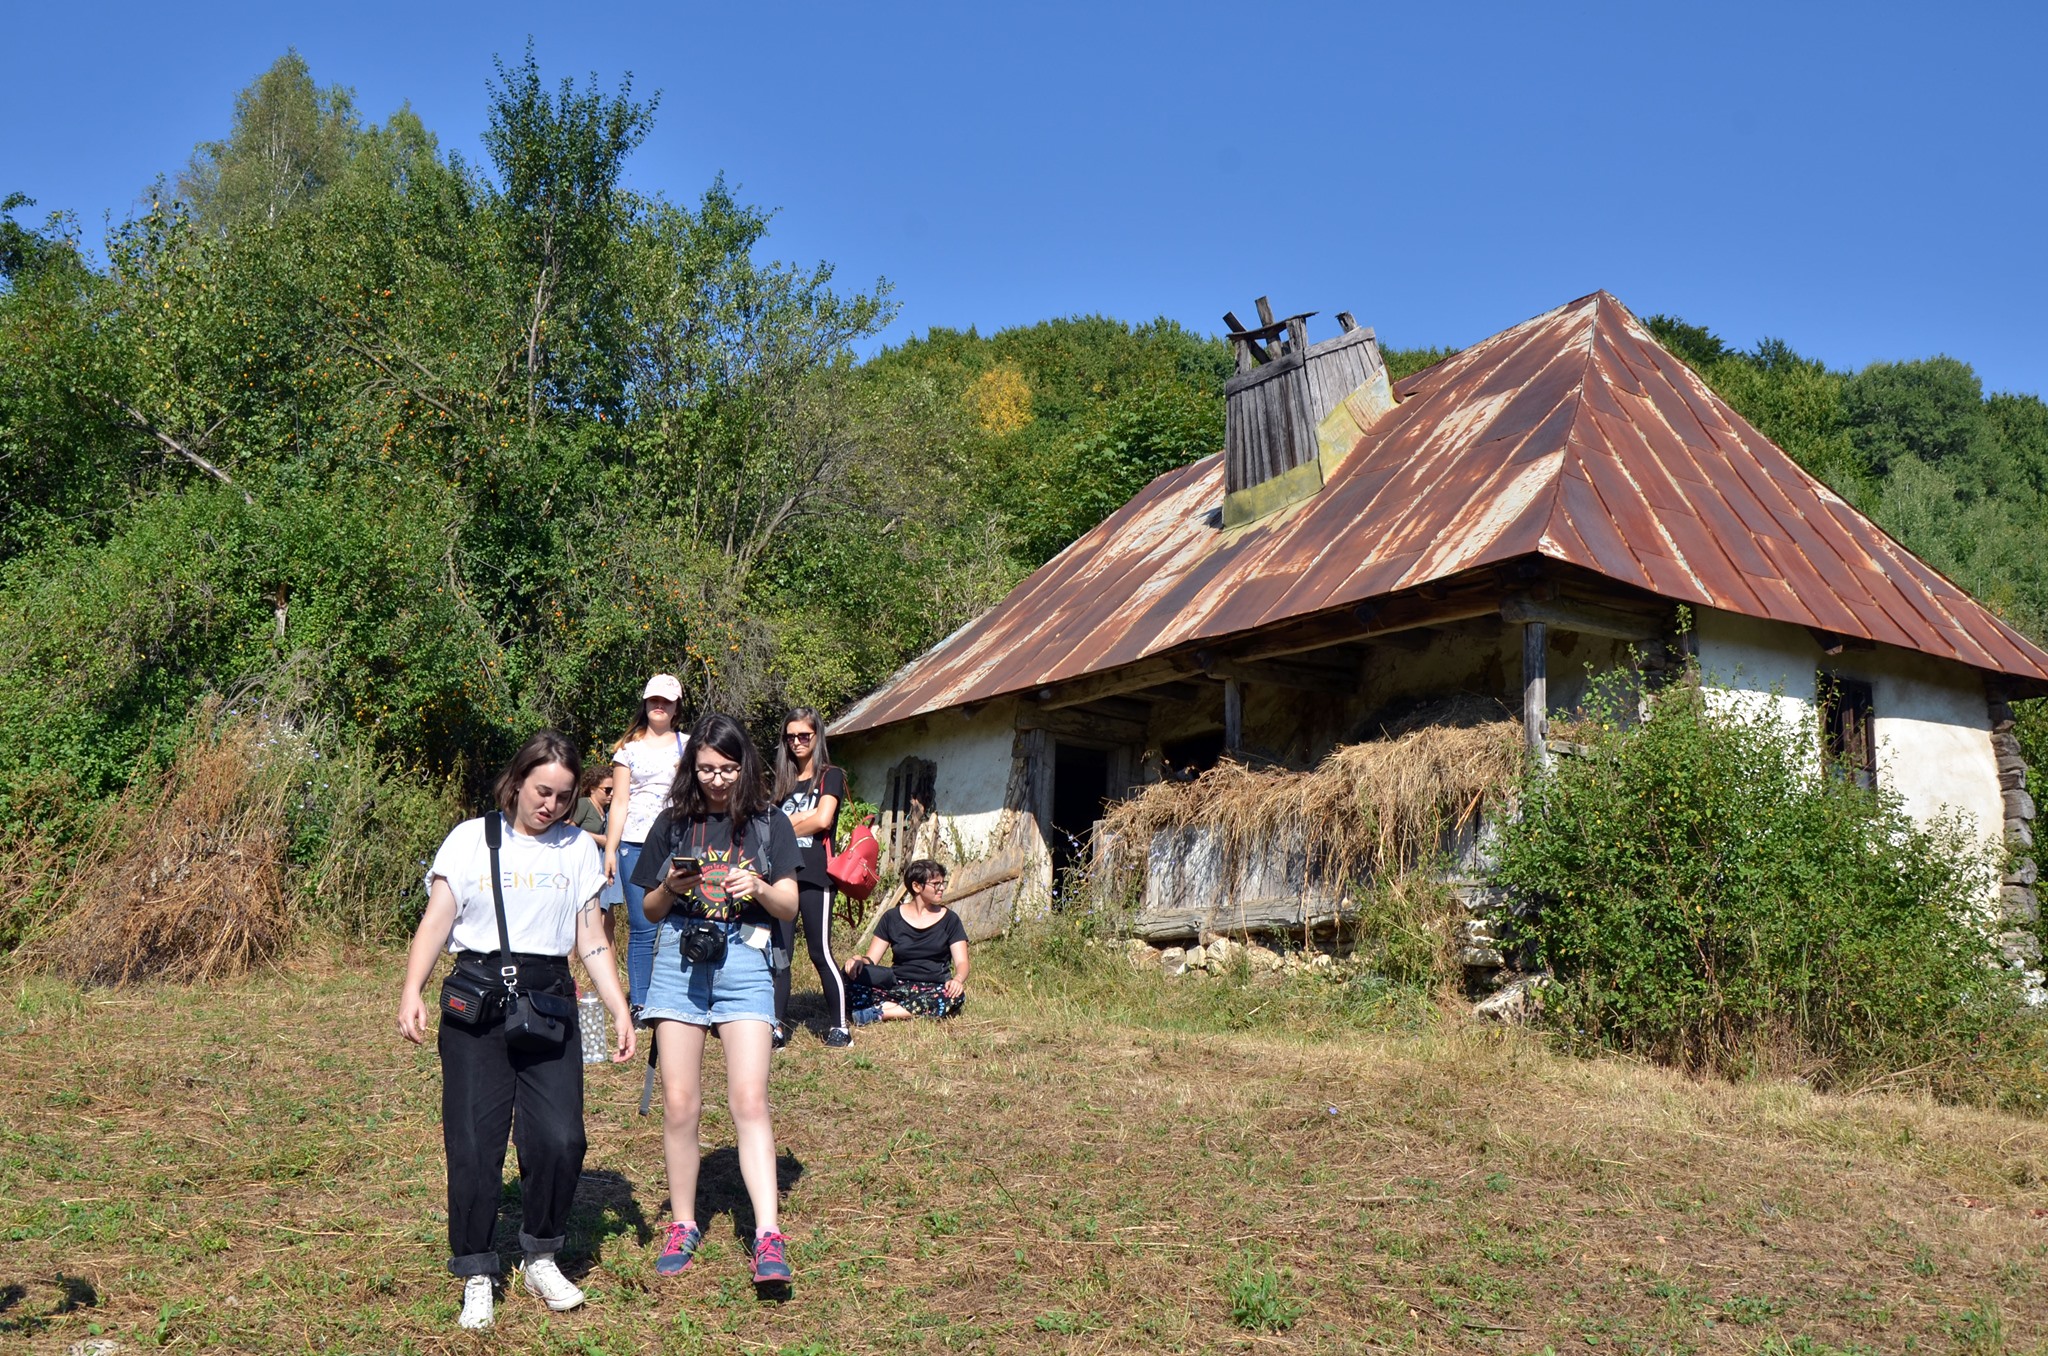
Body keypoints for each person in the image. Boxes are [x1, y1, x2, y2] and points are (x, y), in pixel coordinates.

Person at [396, 731, 637, 1332]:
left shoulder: (580, 849)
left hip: (550, 999)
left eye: (561, 796)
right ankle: (477, 1268)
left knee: (561, 1137)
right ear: (517, 780)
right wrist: (411, 989)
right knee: (475, 1141)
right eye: (540, 791)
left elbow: (592, 939)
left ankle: (541, 1253)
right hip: (476, 999)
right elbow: (436, 922)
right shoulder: (471, 839)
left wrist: (618, 1006)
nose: (549, 805)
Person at [630, 713, 802, 1286]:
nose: (717, 780)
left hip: (746, 963)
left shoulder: (768, 822)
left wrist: (757, 886)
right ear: (691, 767)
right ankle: (684, 1223)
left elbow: (790, 907)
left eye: (727, 769)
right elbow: (650, 912)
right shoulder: (673, 823)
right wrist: (669, 887)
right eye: (706, 769)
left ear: (744, 764)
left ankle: (768, 1235)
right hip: (680, 961)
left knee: (749, 1100)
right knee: (680, 1103)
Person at [604, 674, 689, 1007]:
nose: (659, 706)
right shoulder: (627, 751)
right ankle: (640, 1003)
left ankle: (674, 998)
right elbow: (619, 802)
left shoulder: (689, 744)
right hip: (634, 845)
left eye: (666, 701)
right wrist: (610, 850)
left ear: (675, 707)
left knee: (677, 922)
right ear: (645, 702)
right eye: (654, 699)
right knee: (642, 926)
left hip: (677, 842)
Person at [770, 706, 852, 1048]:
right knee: (779, 953)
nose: (797, 742)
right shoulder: (782, 783)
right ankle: (775, 1027)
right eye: (790, 737)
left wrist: (789, 825)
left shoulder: (830, 775)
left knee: (820, 951)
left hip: (816, 873)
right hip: (781, 873)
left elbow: (822, 820)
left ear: (817, 736)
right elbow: (771, 826)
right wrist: (800, 819)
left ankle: (840, 1027)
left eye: (804, 735)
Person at [843, 859, 970, 1022]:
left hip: (934, 986)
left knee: (954, 996)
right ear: (917, 886)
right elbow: (871, 960)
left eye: (942, 882)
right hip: (896, 984)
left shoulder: (950, 920)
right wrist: (858, 959)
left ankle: (882, 1012)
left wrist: (958, 979)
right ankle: (909, 1007)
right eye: (936, 884)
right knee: (847, 976)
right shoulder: (891, 917)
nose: (942, 888)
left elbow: (962, 963)